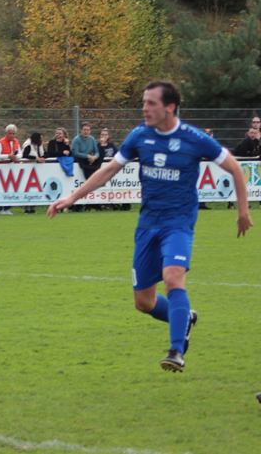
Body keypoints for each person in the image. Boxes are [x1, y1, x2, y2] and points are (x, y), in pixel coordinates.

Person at [48, 81, 253, 373]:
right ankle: (185, 318)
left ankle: (176, 351)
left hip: (179, 224)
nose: (144, 108)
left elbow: (234, 167)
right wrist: (71, 197)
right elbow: (107, 171)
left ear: (170, 107)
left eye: (151, 103)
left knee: (173, 279)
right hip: (147, 225)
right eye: (144, 102)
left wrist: (243, 211)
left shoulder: (194, 138)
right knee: (143, 302)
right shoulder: (139, 136)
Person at [0, 124, 21, 215]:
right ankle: (0, 209)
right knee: (1, 188)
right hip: (1, 169)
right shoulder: (0, 142)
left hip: (12, 168)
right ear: (6, 133)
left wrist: (16, 157)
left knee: (11, 188)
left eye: (13, 133)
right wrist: (8, 156)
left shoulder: (16, 142)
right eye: (10, 133)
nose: (12, 135)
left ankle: (7, 208)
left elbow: (21, 153)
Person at [21, 132, 45, 214]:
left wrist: (43, 157)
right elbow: (24, 156)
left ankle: (32, 208)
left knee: (34, 189)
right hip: (27, 170)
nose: (42, 140)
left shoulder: (39, 145)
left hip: (35, 170)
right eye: (40, 138)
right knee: (27, 189)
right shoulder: (28, 145)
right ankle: (26, 209)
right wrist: (36, 158)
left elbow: (44, 153)